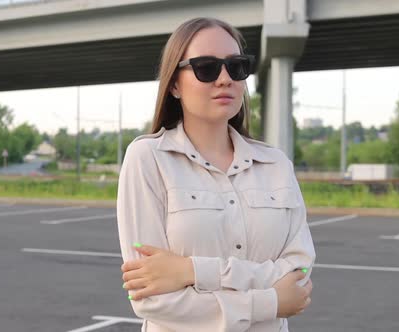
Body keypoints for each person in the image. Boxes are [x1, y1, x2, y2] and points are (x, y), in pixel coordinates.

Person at [116, 17, 316, 332]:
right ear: (174, 84)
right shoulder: (148, 159)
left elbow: (300, 272)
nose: (225, 79)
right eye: (206, 68)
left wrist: (191, 271)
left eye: (236, 67)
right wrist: (271, 302)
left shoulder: (277, 165)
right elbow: (150, 300)